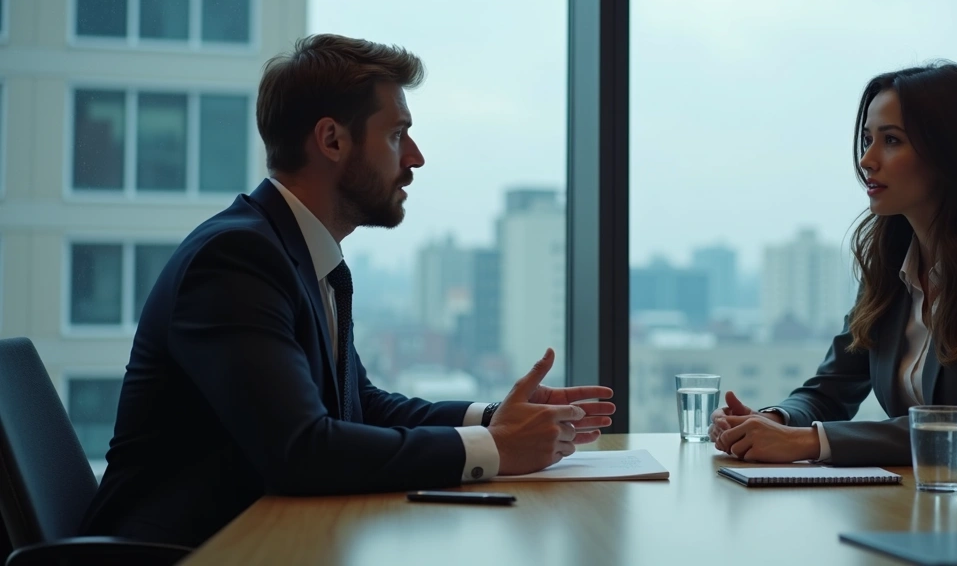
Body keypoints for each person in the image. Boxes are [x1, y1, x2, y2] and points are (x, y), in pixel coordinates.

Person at [78, 34, 616, 547]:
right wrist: (494, 449)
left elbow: (362, 407)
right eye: (397, 134)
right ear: (332, 140)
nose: (416, 158)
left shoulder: (298, 254)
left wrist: (494, 418)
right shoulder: (235, 261)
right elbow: (302, 450)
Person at [709, 62, 957, 493]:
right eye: (867, 140)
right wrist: (772, 421)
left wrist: (808, 441)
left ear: (949, 153)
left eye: (891, 141)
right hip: (939, 506)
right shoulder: (891, 264)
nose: (866, 160)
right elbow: (832, 388)